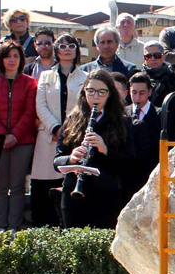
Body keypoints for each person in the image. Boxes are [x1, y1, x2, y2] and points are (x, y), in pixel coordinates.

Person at [54, 70, 131, 229]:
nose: (96, 97)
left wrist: (105, 149)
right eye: (91, 91)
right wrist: (71, 159)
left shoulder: (122, 122)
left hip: (105, 194)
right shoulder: (72, 120)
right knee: (73, 239)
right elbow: (57, 161)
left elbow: (129, 163)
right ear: (84, 91)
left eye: (101, 92)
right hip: (73, 193)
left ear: (109, 94)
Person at [32, 34, 88, 228]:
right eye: (62, 46)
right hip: (48, 135)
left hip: (74, 136)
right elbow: (40, 106)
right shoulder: (45, 76)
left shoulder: (85, 77)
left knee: (69, 182)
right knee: (44, 183)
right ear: (56, 50)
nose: (67, 49)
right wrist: (56, 128)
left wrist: (68, 130)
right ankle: (43, 227)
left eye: (71, 45)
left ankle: (67, 226)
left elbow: (84, 106)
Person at [0, 40, 38, 232]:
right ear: (1, 59)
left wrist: (14, 135)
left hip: (22, 141)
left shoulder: (30, 83)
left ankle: (14, 227)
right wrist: (2, 135)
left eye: (16, 56)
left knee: (17, 186)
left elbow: (30, 112)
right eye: (8, 56)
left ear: (21, 59)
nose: (12, 60)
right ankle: (0, 228)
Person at [124, 72, 162, 196]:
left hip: (150, 173)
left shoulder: (161, 114)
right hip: (127, 174)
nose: (137, 97)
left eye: (142, 93)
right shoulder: (123, 113)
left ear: (149, 92)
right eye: (134, 92)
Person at [141, 40, 175, 107]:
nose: (152, 59)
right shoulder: (138, 79)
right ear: (144, 58)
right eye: (148, 56)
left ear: (163, 56)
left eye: (157, 55)